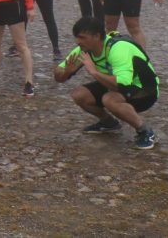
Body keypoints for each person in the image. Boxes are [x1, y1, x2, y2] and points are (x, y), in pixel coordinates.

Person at [53, 17, 159, 150]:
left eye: (82, 37)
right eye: (77, 37)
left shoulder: (118, 48)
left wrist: (94, 72)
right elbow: (58, 75)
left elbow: (122, 84)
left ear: (97, 36)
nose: (77, 41)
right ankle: (108, 123)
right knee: (79, 94)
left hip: (145, 90)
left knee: (109, 99)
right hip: (116, 85)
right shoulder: (84, 49)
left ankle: (145, 131)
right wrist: (66, 72)